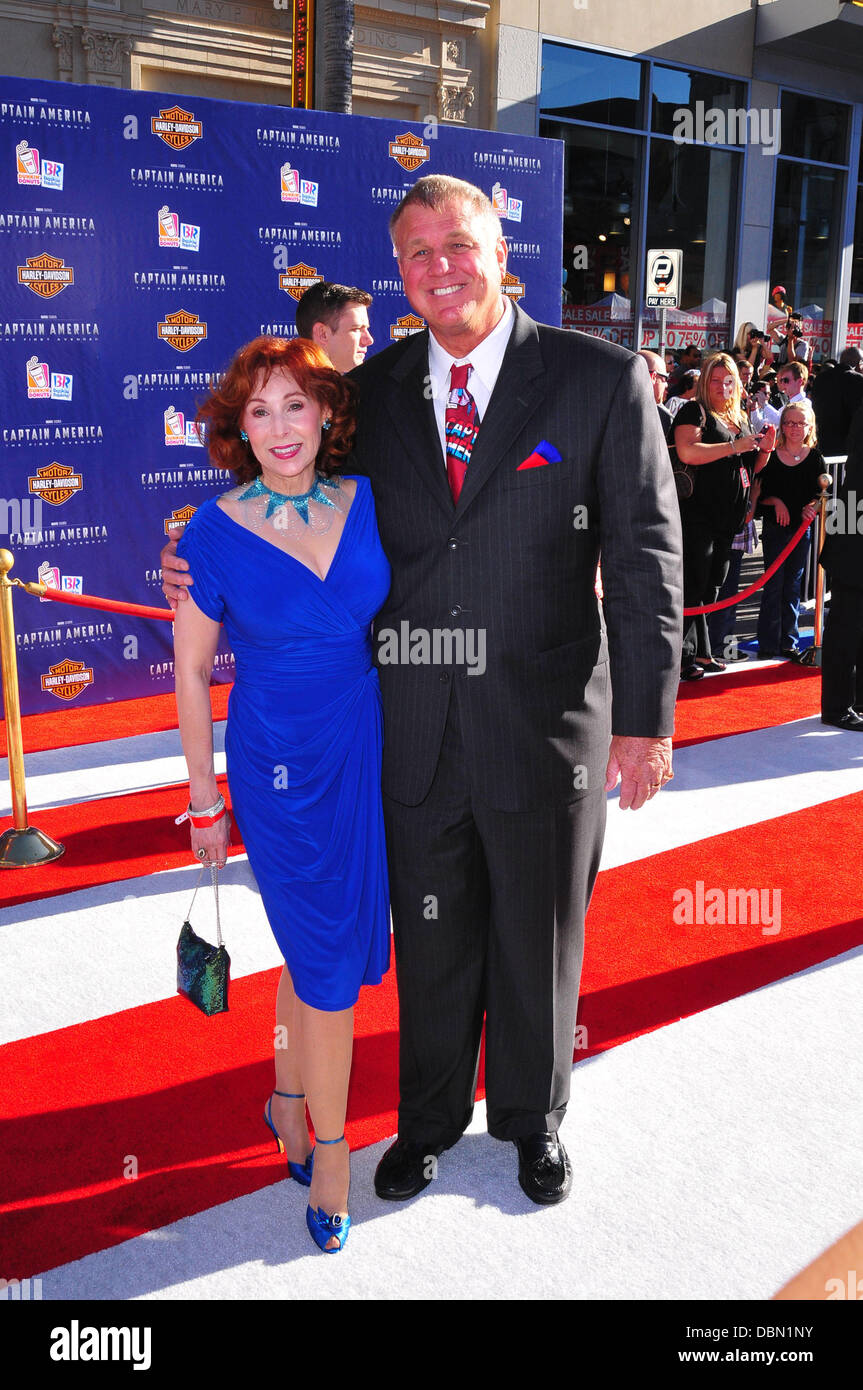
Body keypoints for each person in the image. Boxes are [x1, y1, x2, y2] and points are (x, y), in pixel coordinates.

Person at [163, 174, 683, 1209]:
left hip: (546, 724)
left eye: (458, 243)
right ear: (397, 273)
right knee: (434, 934)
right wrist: (199, 567)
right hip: (402, 724)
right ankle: (430, 1117)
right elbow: (290, 480)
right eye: (415, 251)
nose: (439, 265)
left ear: (500, 252)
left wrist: (643, 722)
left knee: (536, 934)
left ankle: (531, 1122)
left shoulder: (596, 378)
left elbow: (643, 557)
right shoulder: (379, 391)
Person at [172, 336, 391, 1253]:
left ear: (327, 412)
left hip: (360, 741)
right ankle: (335, 1154)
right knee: (329, 965)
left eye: (294, 404)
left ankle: (287, 1098)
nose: (278, 427)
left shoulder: (367, 497)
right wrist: (203, 801)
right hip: (276, 765)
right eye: (257, 412)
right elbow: (188, 673)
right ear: (238, 430)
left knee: (322, 947)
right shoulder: (211, 533)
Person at [674, 353, 775, 679]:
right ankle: (679, 657)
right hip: (697, 515)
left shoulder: (739, 417)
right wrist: (735, 447)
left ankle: (701, 652)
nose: (722, 386)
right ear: (705, 381)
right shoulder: (695, 410)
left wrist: (765, 450)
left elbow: (750, 468)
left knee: (711, 587)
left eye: (727, 380)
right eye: (715, 380)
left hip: (728, 519)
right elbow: (688, 450)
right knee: (693, 584)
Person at [752, 401, 823, 660]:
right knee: (773, 585)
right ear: (782, 426)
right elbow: (759, 492)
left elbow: (822, 493)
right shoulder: (771, 455)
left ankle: (788, 641)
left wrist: (812, 507)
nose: (794, 428)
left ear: (809, 427)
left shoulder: (815, 457)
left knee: (792, 586)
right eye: (789, 422)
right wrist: (776, 502)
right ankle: (768, 643)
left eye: (800, 423)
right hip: (775, 529)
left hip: (800, 531)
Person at [819, 410, 863, 729]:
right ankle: (836, 707)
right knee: (845, 629)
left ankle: (858, 700)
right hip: (853, 540)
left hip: (851, 528)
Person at [294, 281, 374, 374]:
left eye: (366, 329)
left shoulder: (359, 386)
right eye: (356, 329)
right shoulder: (288, 386)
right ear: (323, 334)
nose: (369, 340)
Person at [810, 345, 863, 457]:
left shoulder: (821, 378)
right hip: (847, 448)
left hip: (822, 441)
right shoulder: (858, 380)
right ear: (859, 363)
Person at [638, 349, 673, 439]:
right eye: (664, 378)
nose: (666, 384)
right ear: (652, 377)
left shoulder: (607, 403)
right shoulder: (662, 416)